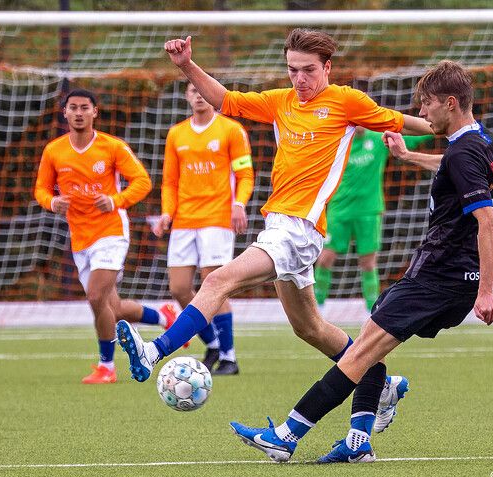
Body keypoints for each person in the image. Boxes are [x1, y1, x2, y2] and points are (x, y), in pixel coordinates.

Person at [116, 30, 432, 427]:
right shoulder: (280, 101)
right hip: (282, 226)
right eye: (292, 70)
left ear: (327, 68)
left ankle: (154, 351)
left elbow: (408, 122)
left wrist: (452, 126)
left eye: (309, 71)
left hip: (298, 229)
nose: (299, 79)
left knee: (217, 282)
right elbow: (225, 100)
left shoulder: (347, 101)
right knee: (310, 329)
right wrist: (186, 66)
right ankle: (379, 381)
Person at [230, 60, 493, 463]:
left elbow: (488, 221)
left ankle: (287, 434)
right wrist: (410, 158)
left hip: (439, 277)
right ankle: (359, 441)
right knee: (369, 340)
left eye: (427, 105)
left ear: (450, 102)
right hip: (448, 277)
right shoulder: (483, 144)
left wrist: (486, 291)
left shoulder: (462, 154)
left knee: (359, 353)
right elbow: (453, 167)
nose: (422, 114)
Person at [34, 88, 177, 384]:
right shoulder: (54, 151)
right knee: (110, 307)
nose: (78, 113)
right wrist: (52, 202)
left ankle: (106, 367)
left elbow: (142, 181)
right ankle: (164, 317)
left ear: (94, 112)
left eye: (84, 107)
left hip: (111, 232)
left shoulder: (112, 147)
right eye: (72, 107)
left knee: (96, 296)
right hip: (80, 238)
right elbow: (41, 190)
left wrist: (115, 200)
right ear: (65, 113)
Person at [151, 81, 254, 375]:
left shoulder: (231, 130)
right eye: (193, 91)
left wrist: (239, 204)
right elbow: (170, 181)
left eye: (202, 91)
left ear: (210, 94)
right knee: (180, 288)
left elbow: (245, 174)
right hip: (184, 220)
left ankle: (229, 356)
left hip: (217, 218)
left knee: (214, 284)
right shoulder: (177, 134)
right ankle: (211, 344)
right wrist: (167, 213)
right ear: (186, 95)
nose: (199, 96)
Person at [314, 128, 433, 314]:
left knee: (368, 263)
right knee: (324, 259)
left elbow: (408, 140)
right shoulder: (337, 140)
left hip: (368, 211)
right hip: (339, 209)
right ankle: (317, 305)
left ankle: (372, 309)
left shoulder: (379, 139)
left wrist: (435, 128)